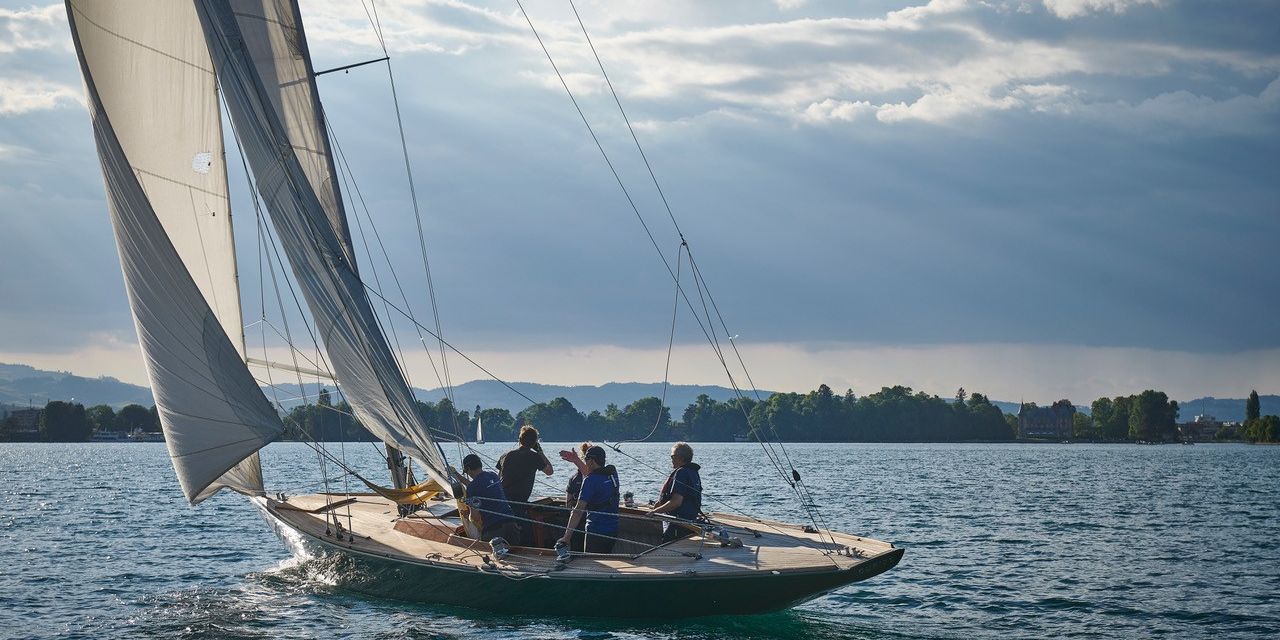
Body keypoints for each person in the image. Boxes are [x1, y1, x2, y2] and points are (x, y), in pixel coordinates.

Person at [557, 445, 620, 554]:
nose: (585, 462)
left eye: (586, 459)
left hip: (596, 531)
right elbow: (595, 475)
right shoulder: (612, 474)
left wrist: (566, 538)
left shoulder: (590, 481)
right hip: (613, 530)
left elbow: (578, 511)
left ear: (591, 461)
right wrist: (576, 460)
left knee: (591, 562)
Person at [497, 425, 553, 541]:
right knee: (525, 534)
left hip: (502, 502)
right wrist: (540, 451)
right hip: (519, 504)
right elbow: (549, 471)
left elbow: (498, 479)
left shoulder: (505, 455)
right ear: (534, 443)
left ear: (519, 439)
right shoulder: (534, 457)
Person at [647, 442, 702, 543]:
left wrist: (655, 512)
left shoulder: (681, 473)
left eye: (672, 456)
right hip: (690, 521)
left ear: (680, 458)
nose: (671, 459)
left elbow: (676, 502)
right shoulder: (693, 472)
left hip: (677, 524)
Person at [460, 453, 520, 544]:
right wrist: (456, 475)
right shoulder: (493, 476)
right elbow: (478, 485)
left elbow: (474, 517)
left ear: (468, 469)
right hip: (512, 524)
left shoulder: (472, 488)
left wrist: (467, 516)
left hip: (494, 530)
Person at [559, 441, 593, 552]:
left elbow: (568, 505)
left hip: (578, 520)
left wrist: (576, 460)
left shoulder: (574, 478)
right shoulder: (598, 476)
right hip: (588, 519)